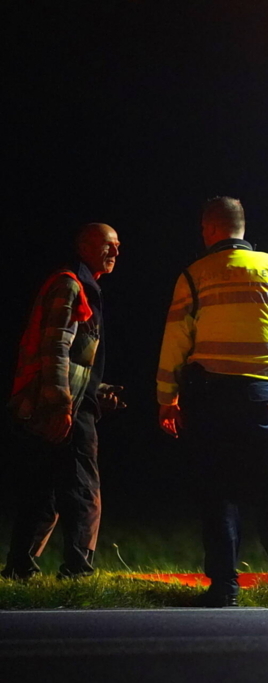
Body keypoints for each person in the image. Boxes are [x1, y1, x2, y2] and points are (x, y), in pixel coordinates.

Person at [156, 196, 268, 608]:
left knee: (218, 492)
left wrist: (166, 399)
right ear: (241, 228)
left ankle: (225, 588)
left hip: (211, 400)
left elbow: (175, 342)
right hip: (263, 398)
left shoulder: (194, 274)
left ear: (209, 229)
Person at [2, 223, 124, 580]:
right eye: (108, 245)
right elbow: (54, 347)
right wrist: (62, 405)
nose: (116, 253)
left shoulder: (80, 285)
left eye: (117, 247)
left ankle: (19, 569)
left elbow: (73, 358)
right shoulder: (70, 284)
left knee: (43, 488)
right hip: (61, 406)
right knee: (83, 485)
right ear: (84, 246)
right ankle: (78, 570)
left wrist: (98, 391)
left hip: (58, 401)